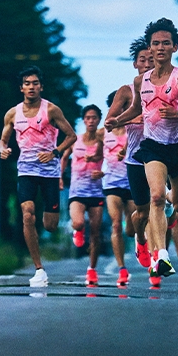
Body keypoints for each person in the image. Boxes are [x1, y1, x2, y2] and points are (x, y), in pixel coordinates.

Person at [106, 18, 178, 286]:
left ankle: (167, 211)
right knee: (155, 197)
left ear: (174, 47)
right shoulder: (140, 80)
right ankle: (162, 255)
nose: (160, 48)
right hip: (152, 147)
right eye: (156, 43)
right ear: (150, 48)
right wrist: (117, 121)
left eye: (166, 43)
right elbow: (138, 110)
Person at [0, 66, 76, 287]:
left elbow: (71, 136)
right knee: (27, 214)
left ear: (41, 86)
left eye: (35, 83)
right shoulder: (12, 113)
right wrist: (2, 149)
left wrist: (54, 152)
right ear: (21, 88)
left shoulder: (51, 110)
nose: (31, 87)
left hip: (49, 171)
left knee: (50, 225)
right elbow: (3, 140)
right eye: (27, 83)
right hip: (26, 170)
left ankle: (51, 225)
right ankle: (39, 269)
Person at [105, 37, 154, 269]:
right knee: (142, 216)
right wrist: (137, 118)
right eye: (142, 60)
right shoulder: (127, 91)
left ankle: (158, 260)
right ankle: (141, 241)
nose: (147, 63)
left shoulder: (169, 87)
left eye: (151, 59)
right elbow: (110, 121)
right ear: (135, 64)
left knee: (165, 206)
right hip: (137, 158)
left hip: (163, 154)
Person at [61, 105, 105, 286]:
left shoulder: (103, 142)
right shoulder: (75, 140)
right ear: (83, 120)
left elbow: (111, 161)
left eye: (94, 118)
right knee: (78, 222)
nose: (91, 121)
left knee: (96, 233)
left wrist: (102, 172)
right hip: (77, 191)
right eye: (88, 118)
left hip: (96, 191)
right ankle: (78, 231)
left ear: (99, 120)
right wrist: (60, 177)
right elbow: (64, 157)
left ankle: (92, 270)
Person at [102, 91, 137, 286]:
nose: (122, 111)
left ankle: (138, 241)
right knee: (116, 225)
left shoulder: (135, 129)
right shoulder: (103, 133)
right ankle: (122, 269)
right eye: (118, 107)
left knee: (131, 229)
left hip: (132, 183)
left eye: (126, 107)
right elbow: (93, 153)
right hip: (112, 184)